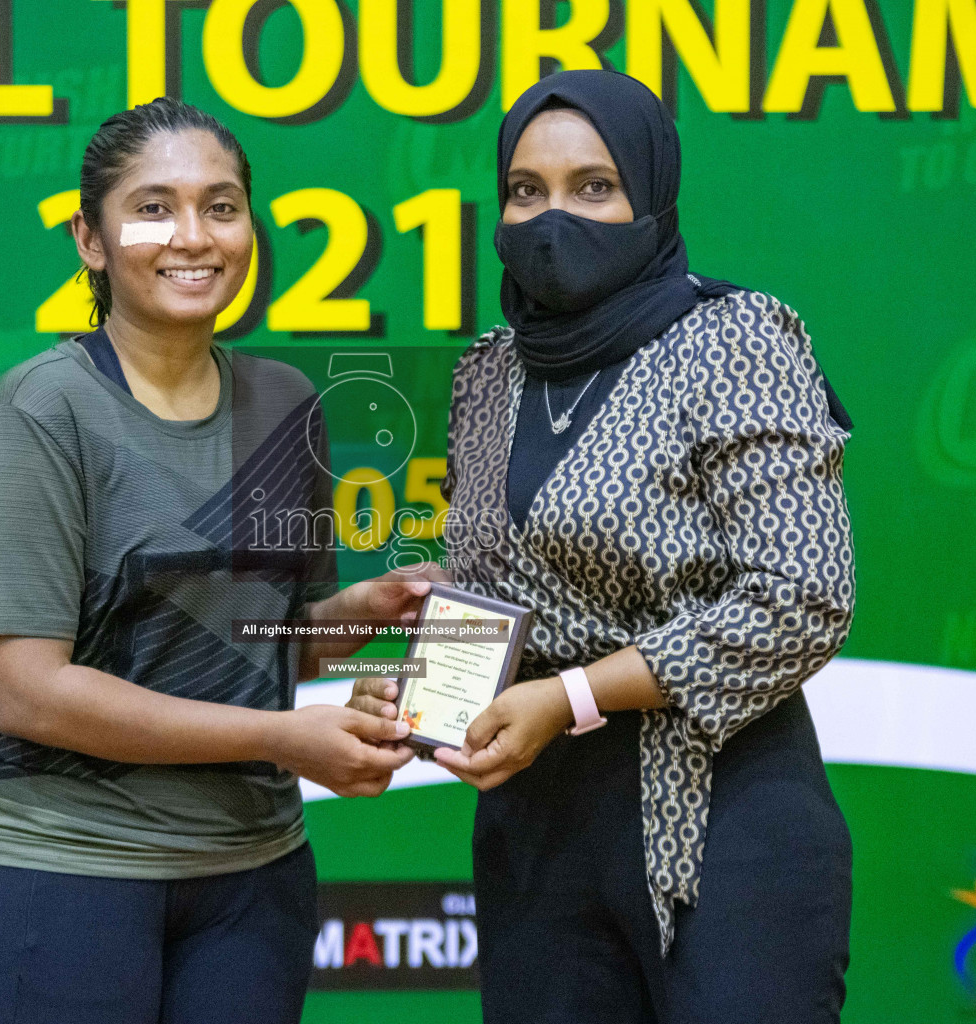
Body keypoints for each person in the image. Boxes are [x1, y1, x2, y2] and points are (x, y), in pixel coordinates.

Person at [349, 71, 857, 1023]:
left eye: (594, 187)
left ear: (651, 197)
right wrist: (424, 691)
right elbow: (510, 587)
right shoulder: (491, 370)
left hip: (721, 811)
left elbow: (803, 597)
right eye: (525, 191)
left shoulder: (736, 337)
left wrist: (572, 695)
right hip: (536, 834)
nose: (553, 219)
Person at [0, 98, 430, 1024]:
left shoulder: (286, 402)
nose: (193, 236)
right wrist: (285, 737)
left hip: (252, 878)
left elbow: (252, 648)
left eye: (222, 205)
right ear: (91, 238)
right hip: (59, 867)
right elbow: (29, 693)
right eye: (153, 207)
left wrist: (362, 612)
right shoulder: (39, 412)